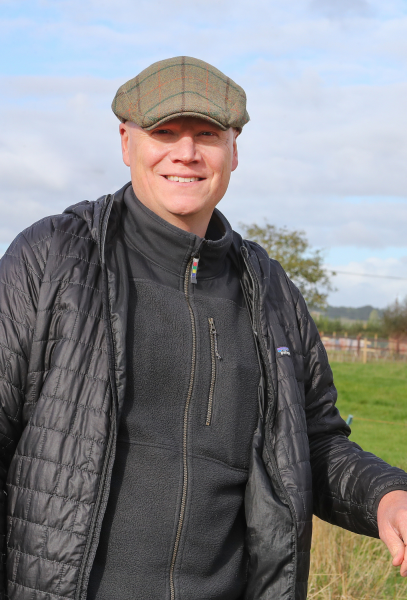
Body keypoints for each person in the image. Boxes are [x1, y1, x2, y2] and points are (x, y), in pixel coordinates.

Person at [0, 56, 407, 600]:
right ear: (127, 143)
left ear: (234, 150)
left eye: (207, 135)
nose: (186, 153)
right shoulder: (51, 259)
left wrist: (387, 495)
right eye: (164, 131)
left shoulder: (272, 291)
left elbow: (313, 444)